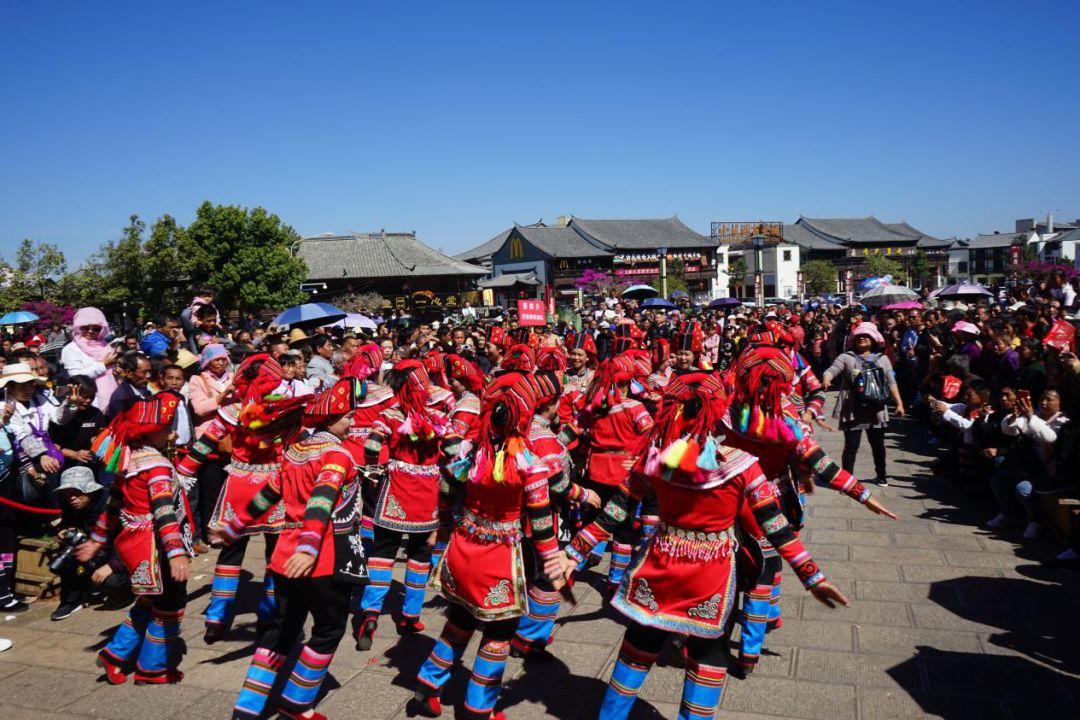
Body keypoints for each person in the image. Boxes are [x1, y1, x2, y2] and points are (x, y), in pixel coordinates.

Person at [557, 376, 848, 720]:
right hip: (710, 575)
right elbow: (776, 526)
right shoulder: (743, 465)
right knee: (707, 655)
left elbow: (615, 511)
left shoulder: (655, 459)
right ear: (716, 413)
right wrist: (811, 576)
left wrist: (574, 552)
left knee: (638, 647)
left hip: (659, 567)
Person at [412, 371, 567, 719]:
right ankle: (478, 706)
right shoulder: (529, 462)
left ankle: (429, 681)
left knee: (460, 620)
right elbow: (541, 525)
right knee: (499, 633)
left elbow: (448, 485)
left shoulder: (470, 449)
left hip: (465, 547)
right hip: (501, 557)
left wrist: (441, 524)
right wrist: (552, 562)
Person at [214, 378, 365, 720]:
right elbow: (321, 500)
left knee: (281, 630)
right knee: (329, 629)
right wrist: (310, 547)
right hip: (321, 555)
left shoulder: (297, 451)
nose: (353, 423)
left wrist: (236, 526)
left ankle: (247, 709)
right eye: (348, 417)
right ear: (330, 419)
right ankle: (295, 704)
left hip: (285, 553)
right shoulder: (336, 455)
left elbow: (270, 492)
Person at [75, 390, 193, 685]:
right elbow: (165, 513)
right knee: (170, 605)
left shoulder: (129, 462)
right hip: (156, 549)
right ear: (152, 432)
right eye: (166, 428)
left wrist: (97, 540)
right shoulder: (156, 468)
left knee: (148, 599)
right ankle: (152, 668)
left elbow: (113, 508)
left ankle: (115, 654)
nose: (170, 432)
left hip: (134, 545)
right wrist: (176, 553)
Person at [177, 355, 288, 642]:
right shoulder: (283, 409)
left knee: (230, 551)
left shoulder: (233, 409)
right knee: (274, 553)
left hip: (239, 483)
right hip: (273, 487)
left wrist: (180, 473)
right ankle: (269, 615)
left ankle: (217, 617)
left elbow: (206, 442)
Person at [355, 360, 449, 649]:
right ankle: (410, 615)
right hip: (427, 497)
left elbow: (372, 447)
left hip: (396, 491)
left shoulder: (389, 415)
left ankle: (370, 614)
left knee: (383, 553)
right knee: (420, 556)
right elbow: (455, 451)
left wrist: (374, 469)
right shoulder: (438, 417)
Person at [822, 322, 905, 486]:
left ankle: (881, 476)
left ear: (874, 339)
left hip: (876, 409)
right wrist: (826, 377)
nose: (862, 338)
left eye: (866, 336)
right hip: (853, 408)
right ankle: (847, 479)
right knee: (851, 446)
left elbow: (891, 382)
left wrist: (899, 404)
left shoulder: (883, 359)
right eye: (859, 336)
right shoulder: (846, 357)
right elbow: (832, 370)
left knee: (878, 445)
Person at [50, 466, 111, 620]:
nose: (72, 498)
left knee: (114, 582)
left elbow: (123, 538)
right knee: (67, 555)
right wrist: (63, 531)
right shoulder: (69, 503)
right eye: (67, 494)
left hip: (112, 549)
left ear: (90, 491)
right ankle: (70, 600)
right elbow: (66, 523)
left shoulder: (108, 503)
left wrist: (111, 565)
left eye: (77, 493)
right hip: (87, 545)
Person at [60, 307, 119, 412]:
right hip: (89, 401)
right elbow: (76, 377)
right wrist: (103, 365)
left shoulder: (105, 346)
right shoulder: (71, 349)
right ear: (78, 327)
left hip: (113, 395)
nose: (90, 331)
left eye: (96, 328)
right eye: (86, 327)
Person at [105, 351, 152, 421]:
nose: (149, 376)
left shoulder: (143, 388)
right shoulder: (120, 399)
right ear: (129, 373)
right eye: (144, 372)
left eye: (150, 371)